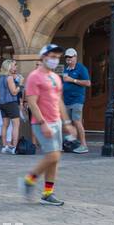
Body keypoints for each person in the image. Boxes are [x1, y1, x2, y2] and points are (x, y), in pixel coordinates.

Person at [21, 44, 69, 206]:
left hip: (56, 122)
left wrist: (67, 122)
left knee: (54, 159)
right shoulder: (34, 76)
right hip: (42, 123)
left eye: (57, 57)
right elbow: (32, 103)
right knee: (53, 156)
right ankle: (29, 179)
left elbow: (59, 101)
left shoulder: (55, 77)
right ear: (43, 57)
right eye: (52, 56)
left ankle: (48, 194)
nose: (55, 60)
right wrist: (42, 123)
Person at [61, 48, 91, 153]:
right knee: (67, 123)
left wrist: (72, 80)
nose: (68, 60)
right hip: (66, 100)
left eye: (70, 57)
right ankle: (70, 145)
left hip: (77, 100)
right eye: (67, 58)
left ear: (75, 57)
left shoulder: (81, 68)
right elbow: (64, 83)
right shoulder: (66, 69)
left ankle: (84, 145)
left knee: (77, 121)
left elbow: (88, 83)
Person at [0, 59, 23, 154]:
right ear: (9, 67)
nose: (16, 67)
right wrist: (20, 85)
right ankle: (14, 147)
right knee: (16, 125)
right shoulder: (9, 78)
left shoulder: (0, 78)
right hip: (11, 103)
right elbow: (14, 92)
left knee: (5, 125)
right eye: (14, 65)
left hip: (2, 103)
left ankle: (5, 146)